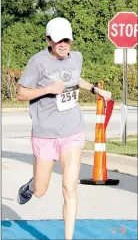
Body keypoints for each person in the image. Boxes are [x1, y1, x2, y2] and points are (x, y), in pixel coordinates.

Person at [17, 17, 111, 240]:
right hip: (45, 133)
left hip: (72, 129)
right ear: (48, 40)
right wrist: (48, 89)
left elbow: (76, 79)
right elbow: (21, 94)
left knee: (70, 187)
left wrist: (96, 89)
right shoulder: (38, 62)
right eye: (58, 40)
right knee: (40, 191)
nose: (63, 44)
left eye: (66, 40)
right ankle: (31, 185)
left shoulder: (76, 57)